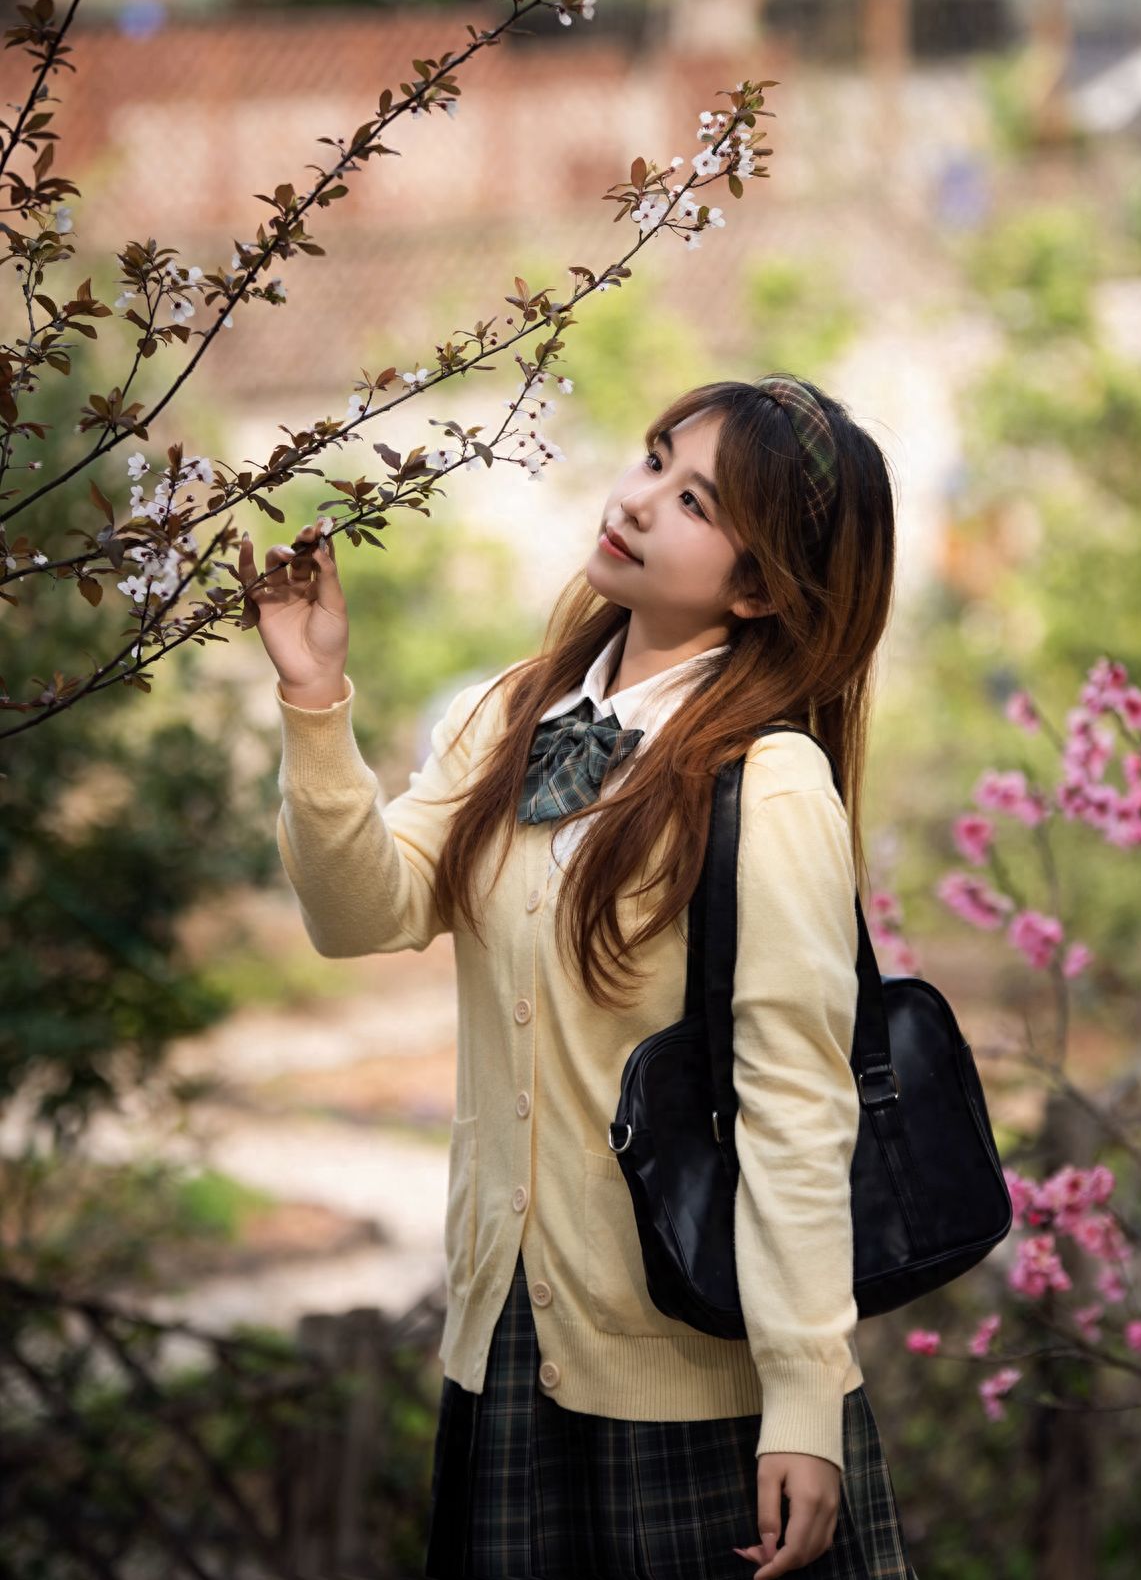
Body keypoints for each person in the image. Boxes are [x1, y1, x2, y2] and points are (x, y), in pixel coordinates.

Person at [238, 373, 918, 1580]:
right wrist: (311, 696)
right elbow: (364, 913)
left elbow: (797, 1113)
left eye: (696, 499)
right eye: (655, 456)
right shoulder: (515, 712)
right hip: (503, 1347)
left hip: (698, 1384)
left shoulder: (769, 787)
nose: (641, 497)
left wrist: (805, 1400)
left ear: (759, 585)